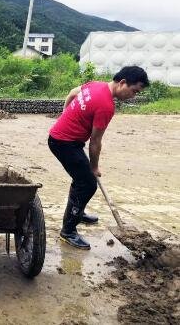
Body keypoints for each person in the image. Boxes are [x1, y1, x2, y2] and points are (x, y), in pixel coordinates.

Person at [48, 66, 149, 250]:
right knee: (87, 184)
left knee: (81, 179)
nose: (133, 96)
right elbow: (95, 142)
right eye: (134, 91)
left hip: (63, 139)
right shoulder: (106, 106)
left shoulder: (96, 85)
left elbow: (72, 93)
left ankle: (76, 211)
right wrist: (94, 167)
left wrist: (64, 114)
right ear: (123, 83)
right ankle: (68, 231)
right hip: (64, 143)